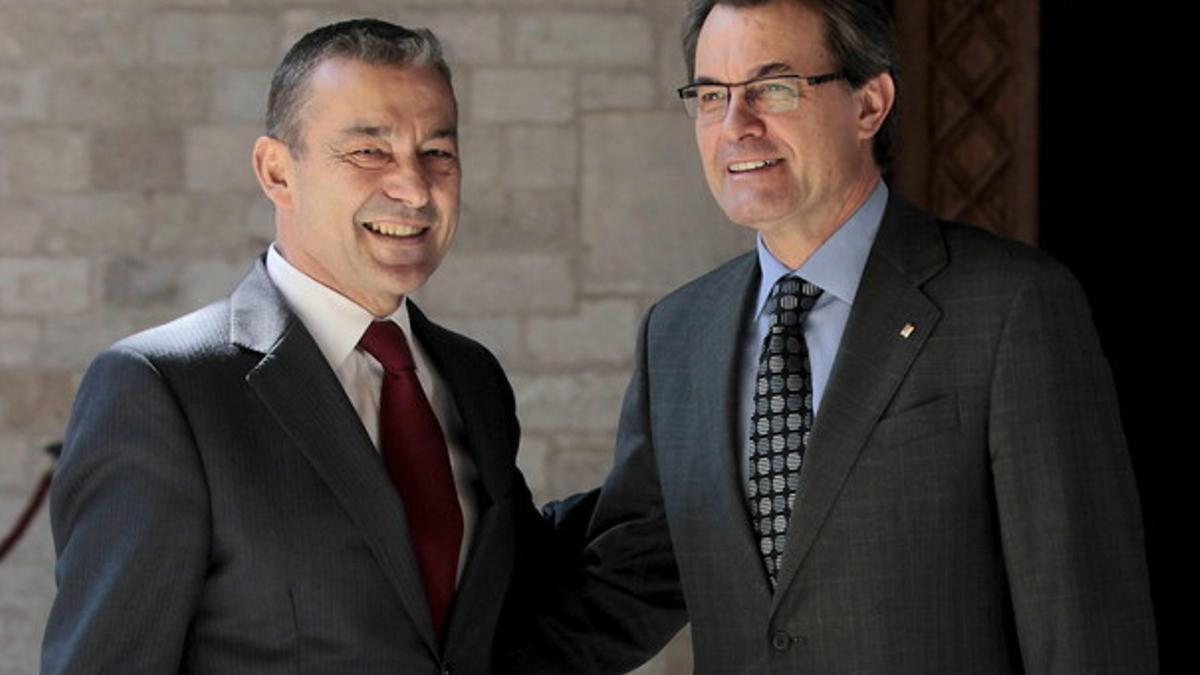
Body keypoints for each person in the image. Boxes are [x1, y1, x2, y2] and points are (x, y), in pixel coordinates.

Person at [510, 0, 1158, 672]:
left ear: (869, 104)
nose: (737, 126)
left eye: (773, 88)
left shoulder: (1011, 306)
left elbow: (1085, 622)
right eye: (711, 95)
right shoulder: (679, 333)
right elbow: (624, 584)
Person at [42, 19, 548, 674]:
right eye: (370, 152)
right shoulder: (161, 388)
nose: (416, 188)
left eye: (437, 154)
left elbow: (518, 612)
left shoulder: (472, 377)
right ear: (277, 171)